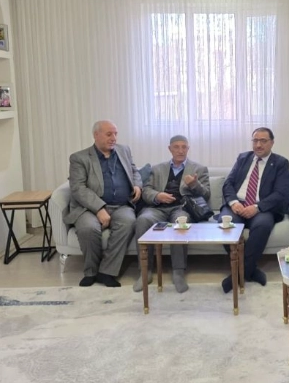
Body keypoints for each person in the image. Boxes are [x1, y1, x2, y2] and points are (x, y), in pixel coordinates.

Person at [64, 120, 142, 287]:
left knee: (128, 222)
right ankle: (91, 272)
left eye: (115, 134)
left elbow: (134, 171)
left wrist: (137, 185)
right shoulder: (79, 158)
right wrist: (99, 208)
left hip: (121, 205)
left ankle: (107, 272)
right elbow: (78, 188)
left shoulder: (124, 150)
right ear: (96, 135)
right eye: (109, 134)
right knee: (88, 228)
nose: (114, 138)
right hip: (88, 208)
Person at [218, 127, 289, 293]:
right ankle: (251, 270)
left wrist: (257, 207)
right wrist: (233, 202)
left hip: (262, 207)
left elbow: (281, 193)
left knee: (263, 226)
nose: (258, 145)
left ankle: (239, 273)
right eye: (255, 140)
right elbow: (228, 183)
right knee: (226, 224)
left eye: (263, 141)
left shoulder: (280, 163)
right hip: (237, 204)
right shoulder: (243, 158)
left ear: (272, 143)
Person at [131, 135, 211, 293]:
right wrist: (157, 196)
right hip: (157, 208)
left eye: (184, 147)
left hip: (181, 208)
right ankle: (145, 271)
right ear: (170, 149)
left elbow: (206, 195)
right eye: (176, 147)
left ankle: (178, 272)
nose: (180, 150)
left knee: (181, 222)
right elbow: (146, 190)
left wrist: (194, 184)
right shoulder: (157, 169)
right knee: (142, 220)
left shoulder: (199, 169)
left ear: (188, 149)